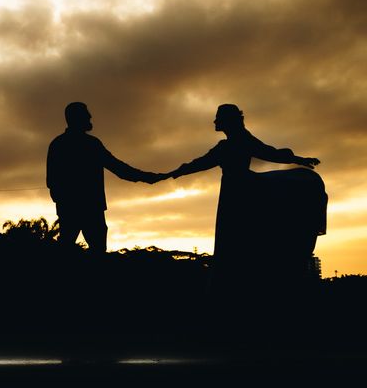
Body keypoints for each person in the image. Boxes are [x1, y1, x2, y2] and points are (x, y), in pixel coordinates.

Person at [159, 104, 325, 285]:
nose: (215, 121)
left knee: (236, 236)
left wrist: (170, 174)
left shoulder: (235, 143)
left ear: (228, 120)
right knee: (238, 236)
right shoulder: (238, 141)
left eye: (218, 117)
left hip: (239, 192)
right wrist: (170, 174)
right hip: (240, 189)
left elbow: (269, 153)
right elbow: (271, 153)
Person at [47, 102, 158, 252]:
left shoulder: (59, 144)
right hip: (90, 208)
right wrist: (147, 177)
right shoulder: (90, 144)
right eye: (85, 114)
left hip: (74, 208)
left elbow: (52, 182)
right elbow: (118, 168)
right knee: (94, 253)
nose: (90, 116)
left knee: (68, 251)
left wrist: (65, 202)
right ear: (77, 118)